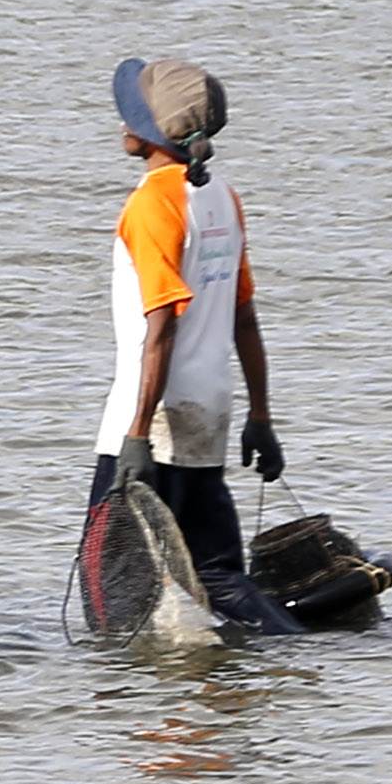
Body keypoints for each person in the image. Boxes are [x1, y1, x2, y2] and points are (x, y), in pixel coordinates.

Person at [88, 54, 297, 631]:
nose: (121, 123)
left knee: (113, 597)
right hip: (209, 411)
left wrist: (134, 438)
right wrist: (260, 416)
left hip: (151, 420)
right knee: (220, 576)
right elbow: (244, 319)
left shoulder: (152, 204)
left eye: (130, 115)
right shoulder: (220, 197)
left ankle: (130, 712)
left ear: (149, 133)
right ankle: (287, 658)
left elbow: (162, 327)